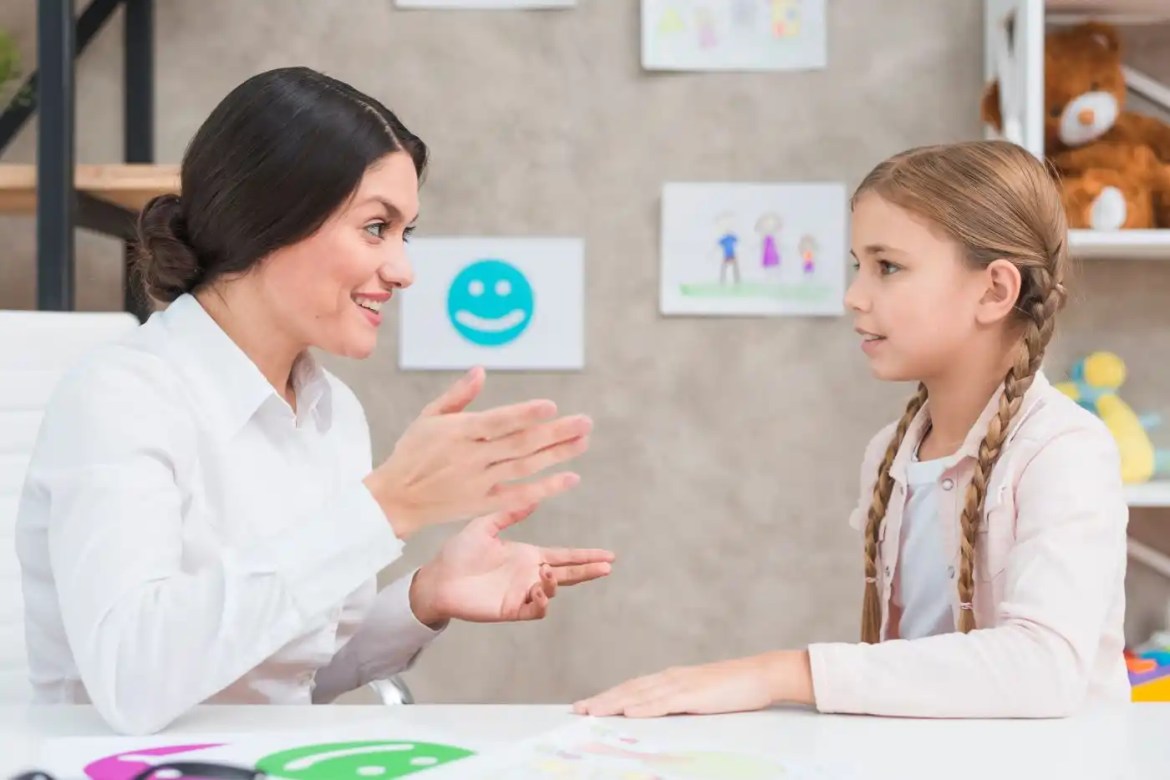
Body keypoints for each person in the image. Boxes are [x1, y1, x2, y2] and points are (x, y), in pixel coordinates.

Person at [15, 67, 613, 736]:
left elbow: (281, 678)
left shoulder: (332, 415)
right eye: (376, 228)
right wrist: (385, 508)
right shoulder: (123, 398)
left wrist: (423, 598)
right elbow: (137, 680)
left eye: (404, 233)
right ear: (270, 218)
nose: (404, 269)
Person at [574, 140, 1129, 719]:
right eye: (857, 266)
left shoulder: (1064, 454)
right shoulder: (889, 453)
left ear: (994, 290)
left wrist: (782, 673)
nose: (854, 296)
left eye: (887, 267)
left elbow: (1042, 670)